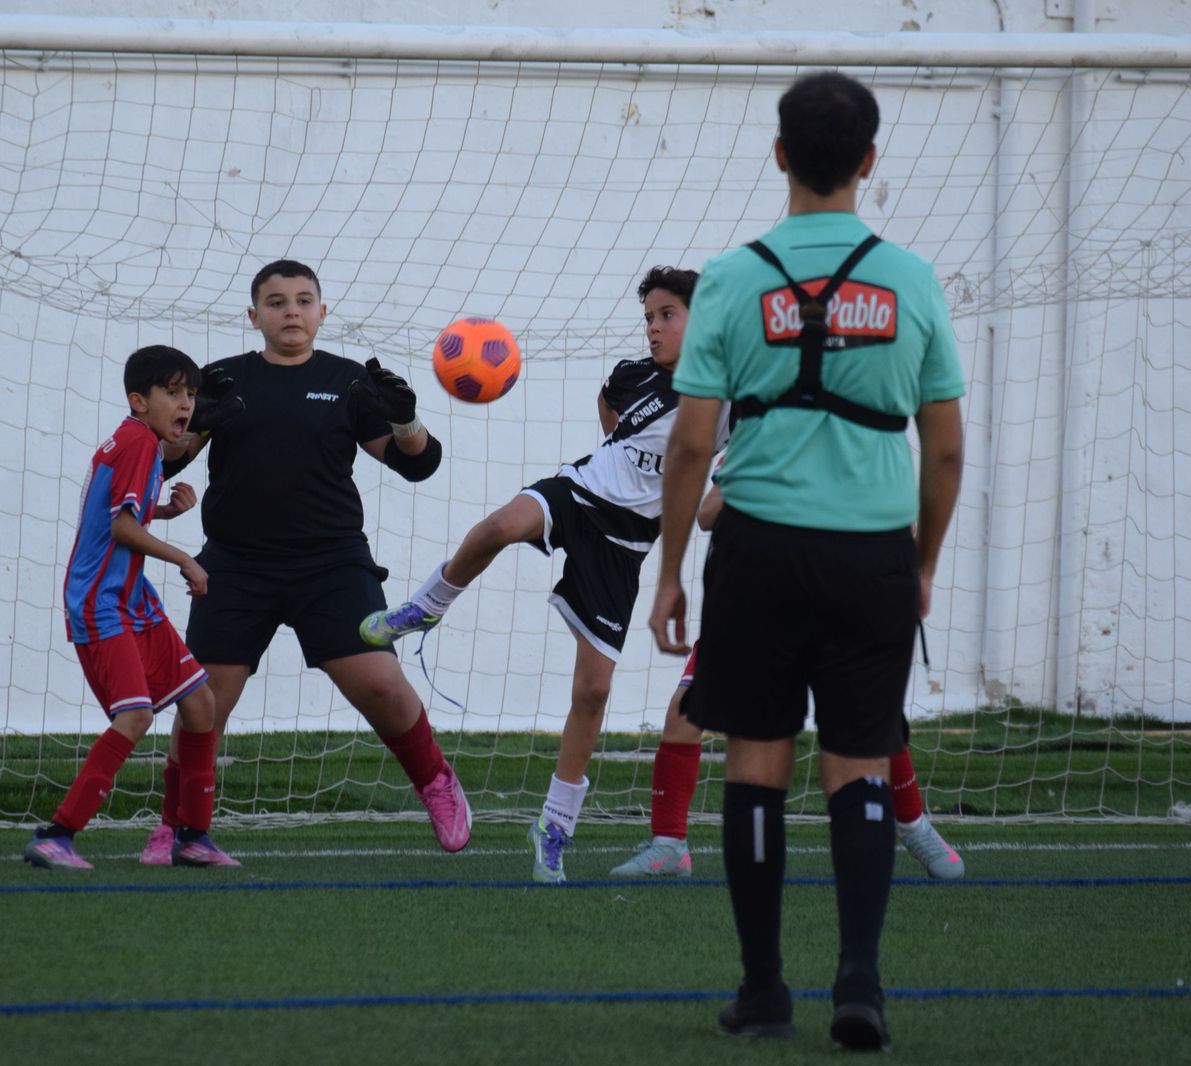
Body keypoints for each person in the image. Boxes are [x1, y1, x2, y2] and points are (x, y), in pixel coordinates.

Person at [650, 71, 966, 1051]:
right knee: (859, 759)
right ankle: (860, 980)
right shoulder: (910, 278)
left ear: (779, 154)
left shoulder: (734, 276)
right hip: (871, 552)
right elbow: (946, 446)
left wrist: (667, 571)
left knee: (754, 758)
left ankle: (762, 989)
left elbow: (692, 443)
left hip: (758, 549)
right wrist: (921, 562)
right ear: (868, 160)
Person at [361, 265, 700, 884]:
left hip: (624, 545)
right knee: (497, 528)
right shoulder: (633, 376)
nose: (652, 327)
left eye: (666, 316)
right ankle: (426, 607)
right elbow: (609, 402)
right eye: (648, 316)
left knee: (592, 691)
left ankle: (553, 824)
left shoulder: (727, 394)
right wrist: (618, 456)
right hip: (579, 492)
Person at [162, 259, 472, 853]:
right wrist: (192, 423)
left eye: (304, 300)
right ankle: (173, 823)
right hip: (234, 565)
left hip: (331, 566)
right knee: (202, 707)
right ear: (254, 317)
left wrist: (406, 418)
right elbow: (169, 459)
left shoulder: (351, 380)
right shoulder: (221, 380)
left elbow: (418, 463)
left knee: (381, 683)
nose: (291, 312)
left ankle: (435, 781)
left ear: (322, 313)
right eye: (276, 302)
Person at [612, 479, 965, 882]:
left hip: (835, 595)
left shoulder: (852, 435)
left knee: (871, 717)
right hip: (751, 600)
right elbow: (708, 514)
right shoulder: (758, 435)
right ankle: (669, 843)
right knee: (684, 712)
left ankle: (914, 826)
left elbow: (906, 520)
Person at [25, 345, 236, 871]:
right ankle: (57, 834)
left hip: (132, 600)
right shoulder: (139, 445)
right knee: (136, 715)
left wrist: (162, 510)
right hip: (100, 602)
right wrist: (186, 559)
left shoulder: (138, 441)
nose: (185, 403)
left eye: (190, 393)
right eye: (173, 392)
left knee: (201, 705)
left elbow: (120, 516)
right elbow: (120, 528)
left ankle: (192, 836)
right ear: (139, 401)